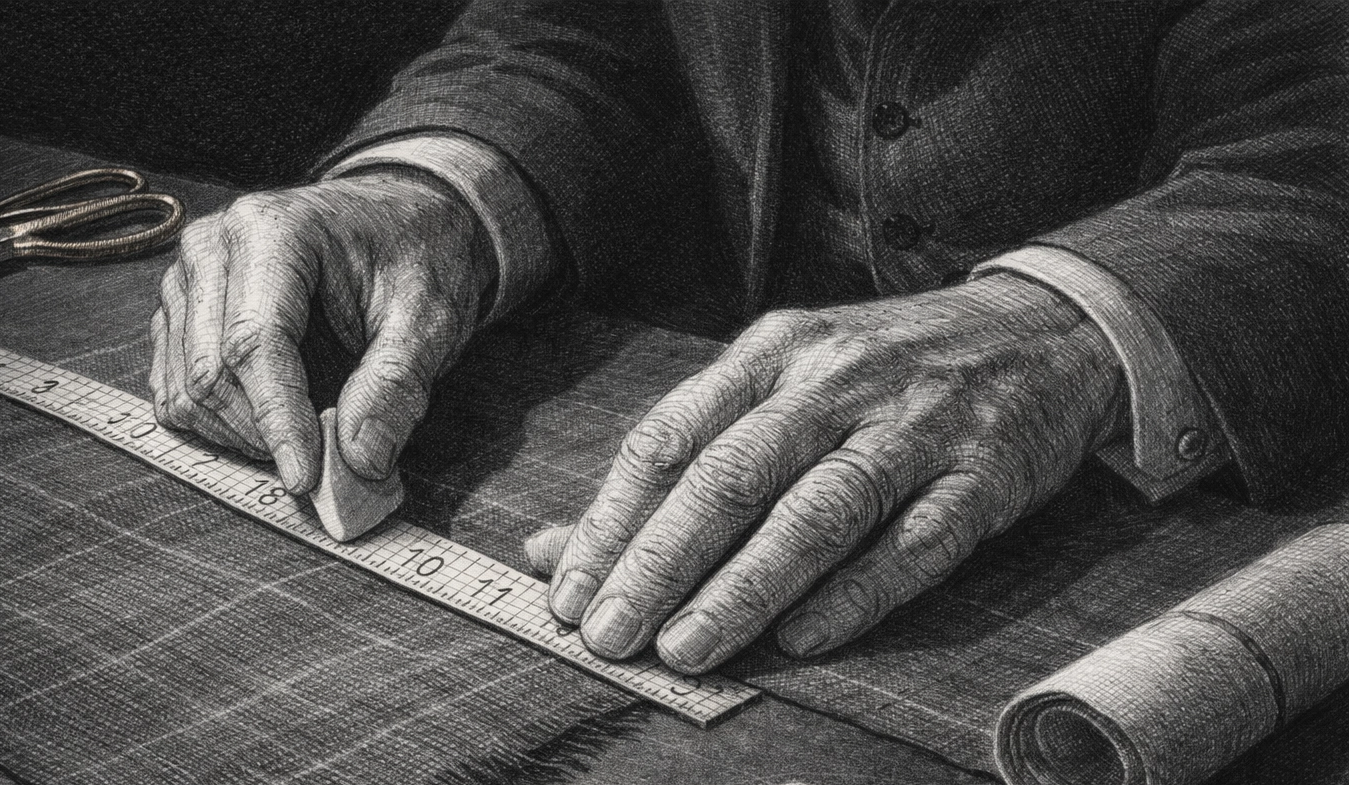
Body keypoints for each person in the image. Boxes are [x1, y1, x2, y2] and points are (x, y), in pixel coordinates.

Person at [148, 0, 1348, 676]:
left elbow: (1317, 149)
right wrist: (434, 194)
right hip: (785, 515)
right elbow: (579, 29)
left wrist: (1063, 327)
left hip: (1216, 550)